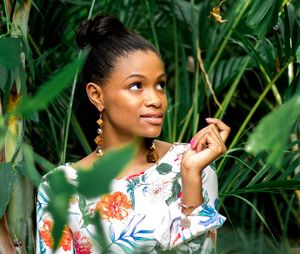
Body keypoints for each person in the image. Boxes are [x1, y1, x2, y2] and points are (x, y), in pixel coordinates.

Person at [36, 14, 230, 254]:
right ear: (97, 95)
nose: (155, 100)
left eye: (160, 85)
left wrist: (191, 176)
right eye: (137, 86)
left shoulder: (192, 165)